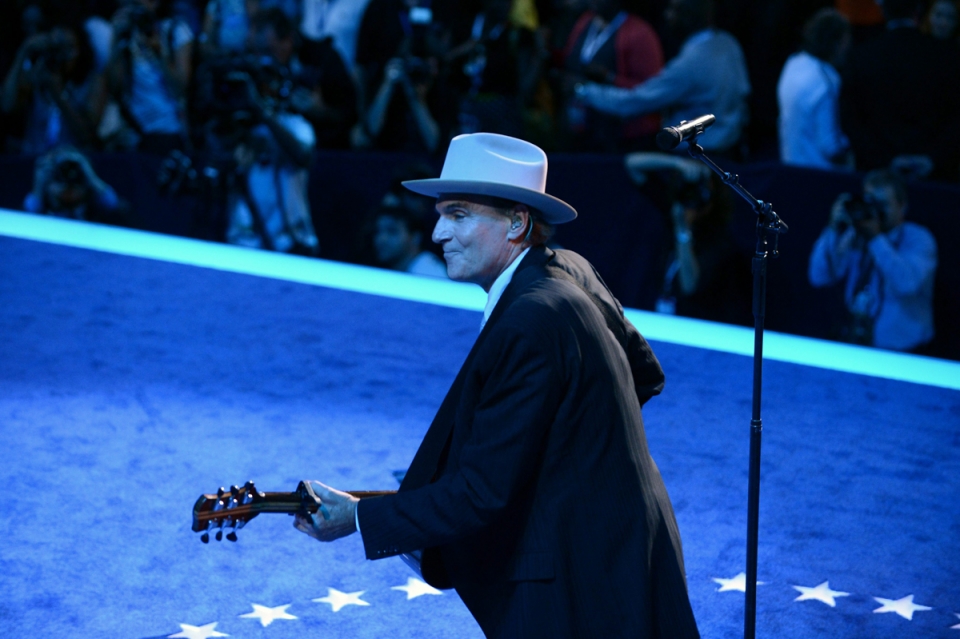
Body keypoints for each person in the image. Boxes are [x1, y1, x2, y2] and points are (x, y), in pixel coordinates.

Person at [293, 133, 700, 638]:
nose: (438, 233)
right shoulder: (569, 268)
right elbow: (646, 375)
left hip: (585, 572)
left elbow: (481, 493)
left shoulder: (529, 321)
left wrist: (359, 519)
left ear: (516, 222)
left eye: (459, 215)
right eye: (440, 213)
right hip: (635, 540)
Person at [576, 0, 750, 155]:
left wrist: (583, 91)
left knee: (633, 163)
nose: (667, 16)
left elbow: (635, 102)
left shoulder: (692, 63)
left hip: (697, 153)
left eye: (674, 9)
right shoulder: (728, 43)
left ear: (692, 16)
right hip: (730, 146)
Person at [808, 169, 937, 352]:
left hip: (904, 353)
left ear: (902, 206)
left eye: (882, 204)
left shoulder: (918, 238)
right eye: (871, 203)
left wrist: (875, 239)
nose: (875, 211)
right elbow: (819, 276)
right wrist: (834, 229)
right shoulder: (855, 234)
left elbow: (906, 284)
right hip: (858, 345)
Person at [839, 0, 960, 181]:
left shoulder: (862, 56)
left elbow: (850, 118)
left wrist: (883, 160)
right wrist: (933, 158)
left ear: (882, 8)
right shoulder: (948, 57)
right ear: (919, 10)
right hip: (935, 181)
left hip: (875, 177)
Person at [625, 152, 749, 325]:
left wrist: (683, 231)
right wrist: (678, 163)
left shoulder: (720, 241)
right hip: (663, 318)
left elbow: (689, 286)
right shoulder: (673, 210)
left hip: (696, 324)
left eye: (701, 192)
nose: (691, 203)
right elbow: (632, 163)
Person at [560, 0, 663, 152]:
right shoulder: (585, 22)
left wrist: (609, 78)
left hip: (623, 138)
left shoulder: (640, 33)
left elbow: (652, 92)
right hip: (582, 129)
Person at [776, 9, 851, 170]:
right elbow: (830, 146)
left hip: (789, 164)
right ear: (835, 42)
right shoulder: (826, 80)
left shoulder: (793, 63)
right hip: (817, 173)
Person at [23, 146, 133, 227]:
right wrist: (39, 183)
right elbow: (28, 212)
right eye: (60, 175)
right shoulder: (42, 206)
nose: (68, 184)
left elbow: (112, 204)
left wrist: (88, 172)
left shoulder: (93, 207)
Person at [371, 204, 448, 277]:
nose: (381, 239)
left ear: (415, 237)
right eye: (377, 231)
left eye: (392, 231)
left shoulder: (427, 270)